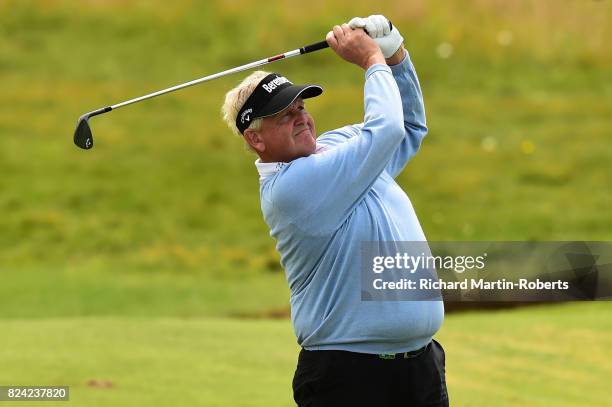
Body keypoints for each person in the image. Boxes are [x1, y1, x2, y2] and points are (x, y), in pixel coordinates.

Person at [221, 14, 448, 407]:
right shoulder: (291, 188)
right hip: (350, 376)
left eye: (301, 106)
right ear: (255, 138)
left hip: (420, 368)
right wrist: (372, 60)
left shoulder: (339, 144)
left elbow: (408, 126)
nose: (302, 117)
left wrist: (396, 53)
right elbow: (387, 129)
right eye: (284, 115)